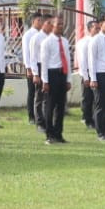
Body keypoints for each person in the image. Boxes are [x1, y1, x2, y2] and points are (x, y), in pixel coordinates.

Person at [34, 13, 70, 144]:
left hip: (62, 74)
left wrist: (68, 79)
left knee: (61, 107)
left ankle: (58, 134)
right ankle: (49, 134)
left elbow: (68, 61)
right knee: (50, 106)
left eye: (62, 24)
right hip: (51, 74)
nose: (61, 26)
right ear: (52, 26)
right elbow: (44, 63)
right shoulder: (47, 42)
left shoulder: (65, 41)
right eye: (58, 24)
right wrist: (45, 81)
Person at [21, 12, 46, 131]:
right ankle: (31, 116)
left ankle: (40, 115)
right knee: (32, 92)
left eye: (42, 20)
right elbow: (27, 53)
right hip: (32, 67)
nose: (41, 23)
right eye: (39, 21)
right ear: (33, 21)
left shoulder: (44, 34)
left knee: (41, 93)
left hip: (42, 66)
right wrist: (28, 68)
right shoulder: (28, 35)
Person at [75, 17, 98, 130]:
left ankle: (95, 118)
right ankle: (87, 118)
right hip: (87, 72)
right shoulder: (84, 42)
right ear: (89, 29)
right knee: (87, 97)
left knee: (96, 97)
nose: (98, 30)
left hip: (97, 71)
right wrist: (85, 77)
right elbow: (82, 60)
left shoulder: (99, 40)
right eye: (95, 28)